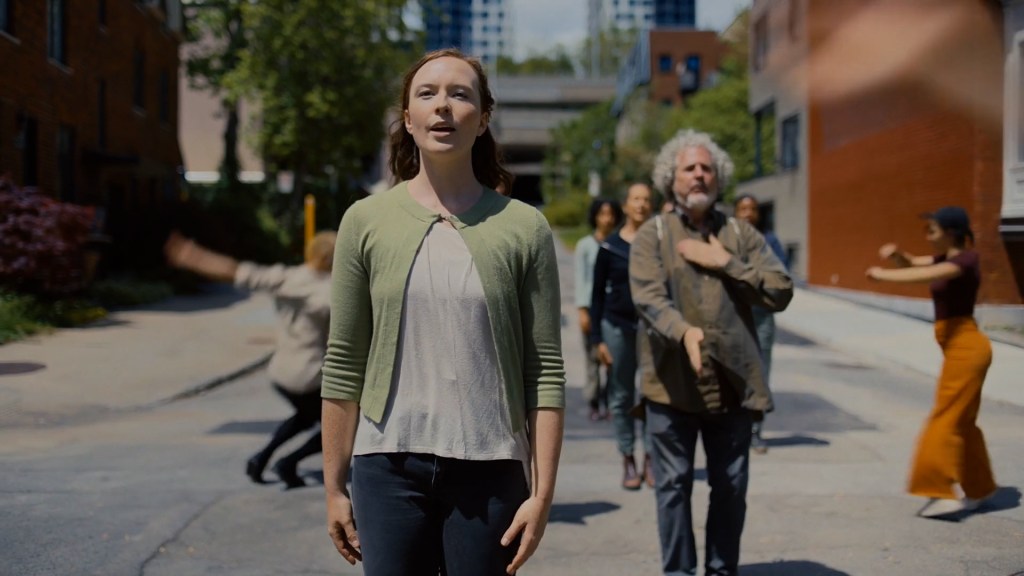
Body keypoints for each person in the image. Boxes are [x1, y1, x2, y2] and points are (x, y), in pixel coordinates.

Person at [320, 48, 565, 576]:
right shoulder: (366, 221)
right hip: (387, 466)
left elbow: (544, 369)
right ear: (408, 119)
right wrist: (334, 486)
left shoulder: (523, 227)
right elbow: (344, 361)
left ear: (484, 118)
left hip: (492, 468)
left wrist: (542, 493)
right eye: (427, 94)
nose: (443, 107)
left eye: (460, 94)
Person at [630, 129, 793, 576]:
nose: (700, 175)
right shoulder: (653, 234)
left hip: (733, 387)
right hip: (671, 388)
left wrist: (726, 263)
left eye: (707, 168)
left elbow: (780, 290)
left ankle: (722, 571)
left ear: (719, 178)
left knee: (730, 488)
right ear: (671, 179)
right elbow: (648, 298)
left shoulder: (740, 234)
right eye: (690, 168)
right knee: (673, 488)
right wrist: (684, 332)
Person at [164, 230, 336, 489]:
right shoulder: (329, 289)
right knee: (340, 426)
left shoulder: (289, 276)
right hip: (309, 376)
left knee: (305, 417)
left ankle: (261, 458)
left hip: (281, 372)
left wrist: (194, 257)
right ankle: (289, 462)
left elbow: (238, 272)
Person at [866, 206, 998, 518]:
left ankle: (940, 488)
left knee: (946, 416)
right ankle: (979, 487)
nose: (928, 237)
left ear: (951, 233)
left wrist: (884, 275)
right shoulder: (944, 259)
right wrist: (897, 255)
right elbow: (912, 263)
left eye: (932, 231)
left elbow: (924, 275)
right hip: (956, 346)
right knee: (963, 421)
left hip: (968, 347)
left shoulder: (966, 259)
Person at [590, 183, 654, 490]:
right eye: (635, 199)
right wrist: (597, 341)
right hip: (617, 328)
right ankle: (628, 457)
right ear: (626, 206)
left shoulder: (658, 244)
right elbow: (596, 297)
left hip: (653, 330)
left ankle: (651, 458)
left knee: (654, 395)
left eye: (646, 200)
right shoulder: (610, 247)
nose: (641, 204)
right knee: (622, 397)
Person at [733, 194, 790, 454]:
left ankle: (756, 429)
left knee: (761, 373)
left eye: (752, 209)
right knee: (735, 372)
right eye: (742, 209)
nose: (747, 213)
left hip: (762, 316)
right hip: (733, 315)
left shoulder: (770, 241)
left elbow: (780, 278)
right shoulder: (726, 238)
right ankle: (735, 429)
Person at [575, 198, 623, 422]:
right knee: (593, 359)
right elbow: (580, 279)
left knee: (613, 359)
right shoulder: (585, 245)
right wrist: (582, 311)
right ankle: (594, 401)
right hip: (591, 308)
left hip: (612, 309)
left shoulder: (619, 244)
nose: (607, 219)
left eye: (611, 214)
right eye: (603, 214)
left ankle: (611, 401)